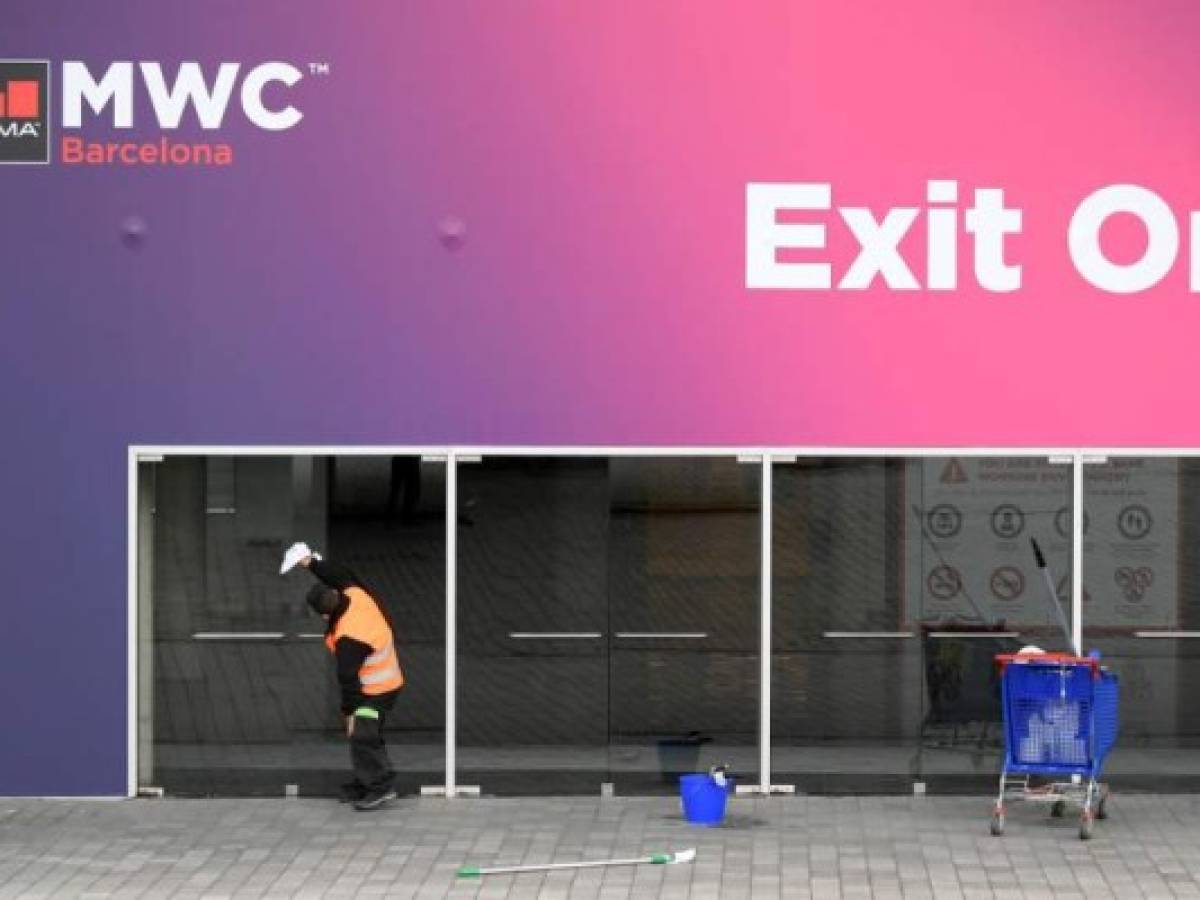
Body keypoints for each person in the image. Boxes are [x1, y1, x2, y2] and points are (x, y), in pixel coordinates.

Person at [281, 542, 404, 810]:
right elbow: (339, 573)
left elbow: (348, 680)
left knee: (362, 733)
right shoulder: (355, 594)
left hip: (378, 690)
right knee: (366, 735)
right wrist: (310, 563)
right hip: (381, 682)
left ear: (325, 614)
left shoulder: (350, 636)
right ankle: (367, 780)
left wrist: (350, 714)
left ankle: (380, 786)